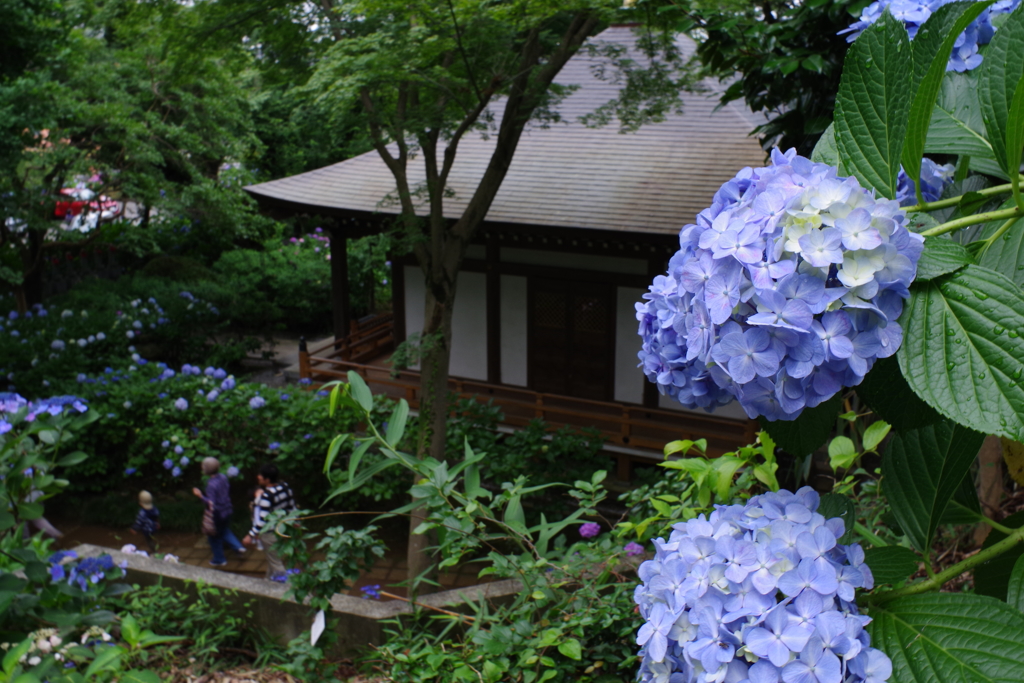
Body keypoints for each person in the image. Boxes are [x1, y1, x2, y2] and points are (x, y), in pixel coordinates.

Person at [243, 463, 296, 580]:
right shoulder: (285, 487)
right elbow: (292, 508)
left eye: (260, 476)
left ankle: (287, 587)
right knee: (273, 558)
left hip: (270, 533)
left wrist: (250, 535)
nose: (258, 477)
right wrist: (296, 522)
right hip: (284, 529)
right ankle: (267, 581)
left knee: (276, 563)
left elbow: (263, 521)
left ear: (267, 479)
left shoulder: (267, 496)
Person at [192, 457, 245, 567]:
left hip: (218, 515)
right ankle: (238, 547)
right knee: (224, 530)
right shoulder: (223, 477)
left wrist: (200, 496)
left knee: (214, 537)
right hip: (228, 510)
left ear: (206, 470)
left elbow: (211, 504)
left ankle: (219, 559)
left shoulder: (211, 485)